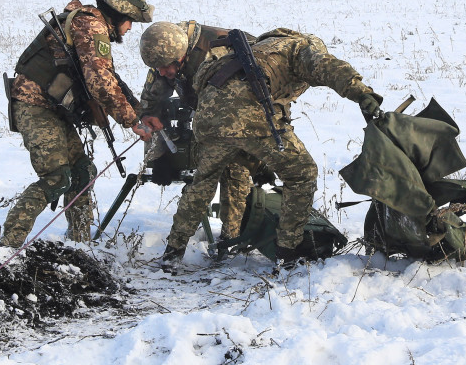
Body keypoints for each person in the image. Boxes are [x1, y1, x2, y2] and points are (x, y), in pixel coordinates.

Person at [160, 27, 382, 271]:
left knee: (202, 184)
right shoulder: (299, 48)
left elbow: (203, 75)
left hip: (209, 118)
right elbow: (327, 67)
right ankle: (287, 254)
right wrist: (362, 94)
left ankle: (173, 251)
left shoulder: (254, 50)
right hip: (249, 115)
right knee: (301, 173)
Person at [0, 0, 154, 247]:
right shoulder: (91, 25)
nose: (129, 28)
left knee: (82, 172)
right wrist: (131, 121)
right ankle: (9, 246)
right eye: (129, 21)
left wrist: (139, 110)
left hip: (54, 108)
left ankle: (79, 243)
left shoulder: (91, 26)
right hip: (35, 107)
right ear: (117, 13)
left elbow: (109, 78)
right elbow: (99, 81)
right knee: (57, 177)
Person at [139, 21, 271, 241]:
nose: (162, 72)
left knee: (234, 165)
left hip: (243, 110)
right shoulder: (164, 51)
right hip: (213, 110)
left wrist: (258, 157)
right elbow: (150, 107)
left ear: (181, 55)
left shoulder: (218, 55)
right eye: (157, 68)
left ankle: (231, 237)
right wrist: (158, 156)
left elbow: (240, 115)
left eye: (165, 67)